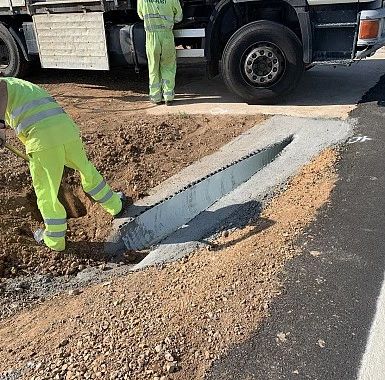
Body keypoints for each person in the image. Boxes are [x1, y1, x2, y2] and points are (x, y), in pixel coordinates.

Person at [0, 75, 125, 252]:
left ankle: (55, 240)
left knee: (46, 191)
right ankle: (115, 205)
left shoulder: (5, 85)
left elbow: (0, 87)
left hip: (43, 139)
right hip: (66, 130)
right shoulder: (19, 85)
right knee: (86, 169)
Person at [137, 0, 183, 106]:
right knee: (168, 66)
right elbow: (178, 17)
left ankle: (156, 97)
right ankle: (168, 97)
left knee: (153, 67)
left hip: (151, 37)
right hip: (167, 36)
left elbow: (141, 15)